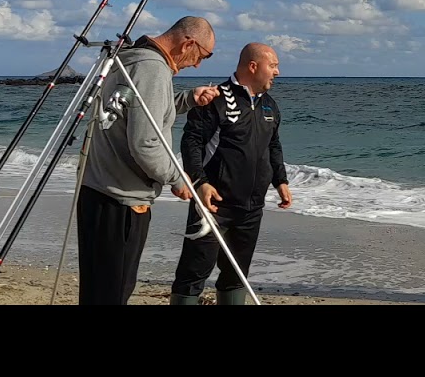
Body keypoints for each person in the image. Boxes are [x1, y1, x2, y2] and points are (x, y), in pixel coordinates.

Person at [75, 15, 219, 305]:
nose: (198, 63)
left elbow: (141, 111)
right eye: (201, 55)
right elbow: (145, 142)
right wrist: (178, 180)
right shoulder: (153, 69)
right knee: (113, 293)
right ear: (187, 43)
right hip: (122, 200)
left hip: (96, 191)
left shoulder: (129, 59)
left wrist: (189, 98)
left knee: (96, 292)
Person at [169, 42, 293, 305]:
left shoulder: (270, 106)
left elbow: (273, 144)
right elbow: (191, 142)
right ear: (253, 66)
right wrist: (199, 182)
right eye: (273, 65)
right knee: (193, 273)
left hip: (251, 208)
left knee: (237, 274)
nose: (277, 72)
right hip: (214, 205)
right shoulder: (216, 99)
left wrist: (280, 180)